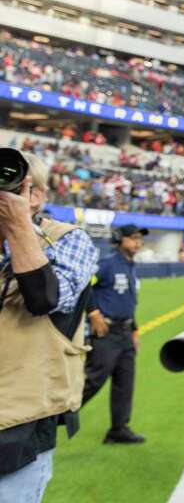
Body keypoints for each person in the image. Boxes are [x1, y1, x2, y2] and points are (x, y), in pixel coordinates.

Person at [0, 152, 98, 502]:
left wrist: (17, 225)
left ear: (36, 195)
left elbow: (43, 299)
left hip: (18, 428)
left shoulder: (69, 240)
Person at [81, 224, 147, 445]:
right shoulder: (107, 264)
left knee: (125, 382)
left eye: (140, 239)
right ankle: (52, 417)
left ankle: (118, 429)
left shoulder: (130, 265)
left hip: (125, 332)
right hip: (106, 332)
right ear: (120, 238)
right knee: (92, 380)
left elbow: (127, 301)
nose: (138, 242)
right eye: (133, 238)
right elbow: (84, 285)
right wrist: (93, 313)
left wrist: (135, 329)